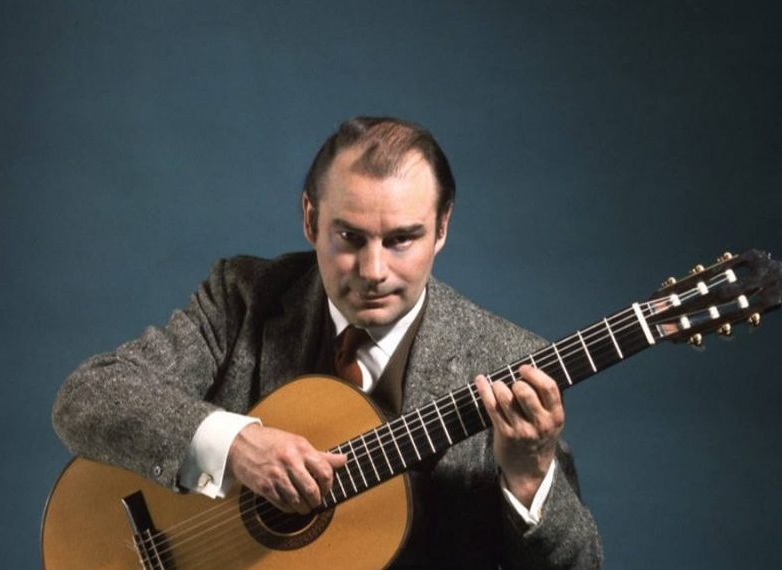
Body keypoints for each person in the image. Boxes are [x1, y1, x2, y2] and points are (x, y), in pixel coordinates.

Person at [53, 116, 602, 568]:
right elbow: (86, 397)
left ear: (441, 229)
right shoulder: (244, 297)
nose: (373, 269)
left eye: (402, 239)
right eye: (350, 237)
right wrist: (235, 446)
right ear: (311, 219)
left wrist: (530, 476)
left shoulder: (504, 362)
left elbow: (577, 566)